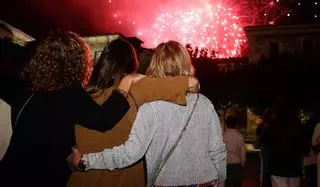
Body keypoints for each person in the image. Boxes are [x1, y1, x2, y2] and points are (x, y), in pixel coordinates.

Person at [69, 40, 226, 187]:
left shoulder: (82, 96)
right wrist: (222, 180)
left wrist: (86, 161)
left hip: (91, 179)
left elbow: (130, 153)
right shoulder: (203, 103)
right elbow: (217, 150)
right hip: (205, 181)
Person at [0, 30, 140, 187]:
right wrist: (126, 82)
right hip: (39, 178)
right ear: (78, 62)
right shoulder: (68, 93)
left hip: (9, 172)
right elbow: (103, 119)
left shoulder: (30, 89)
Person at [261, 97, 303, 187]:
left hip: (277, 166)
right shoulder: (297, 122)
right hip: (294, 166)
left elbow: (264, 140)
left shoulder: (273, 123)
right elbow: (302, 144)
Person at [223, 115, 246, 187]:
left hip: (225, 163)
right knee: (237, 183)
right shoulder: (239, 136)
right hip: (236, 163)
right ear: (235, 124)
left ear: (226, 124)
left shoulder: (223, 135)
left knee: (227, 183)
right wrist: (242, 162)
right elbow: (243, 152)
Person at [256, 108, 275, 187]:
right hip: (273, 149)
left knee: (264, 169)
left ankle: (264, 184)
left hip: (265, 148)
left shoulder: (261, 125)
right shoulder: (274, 125)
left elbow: (258, 139)